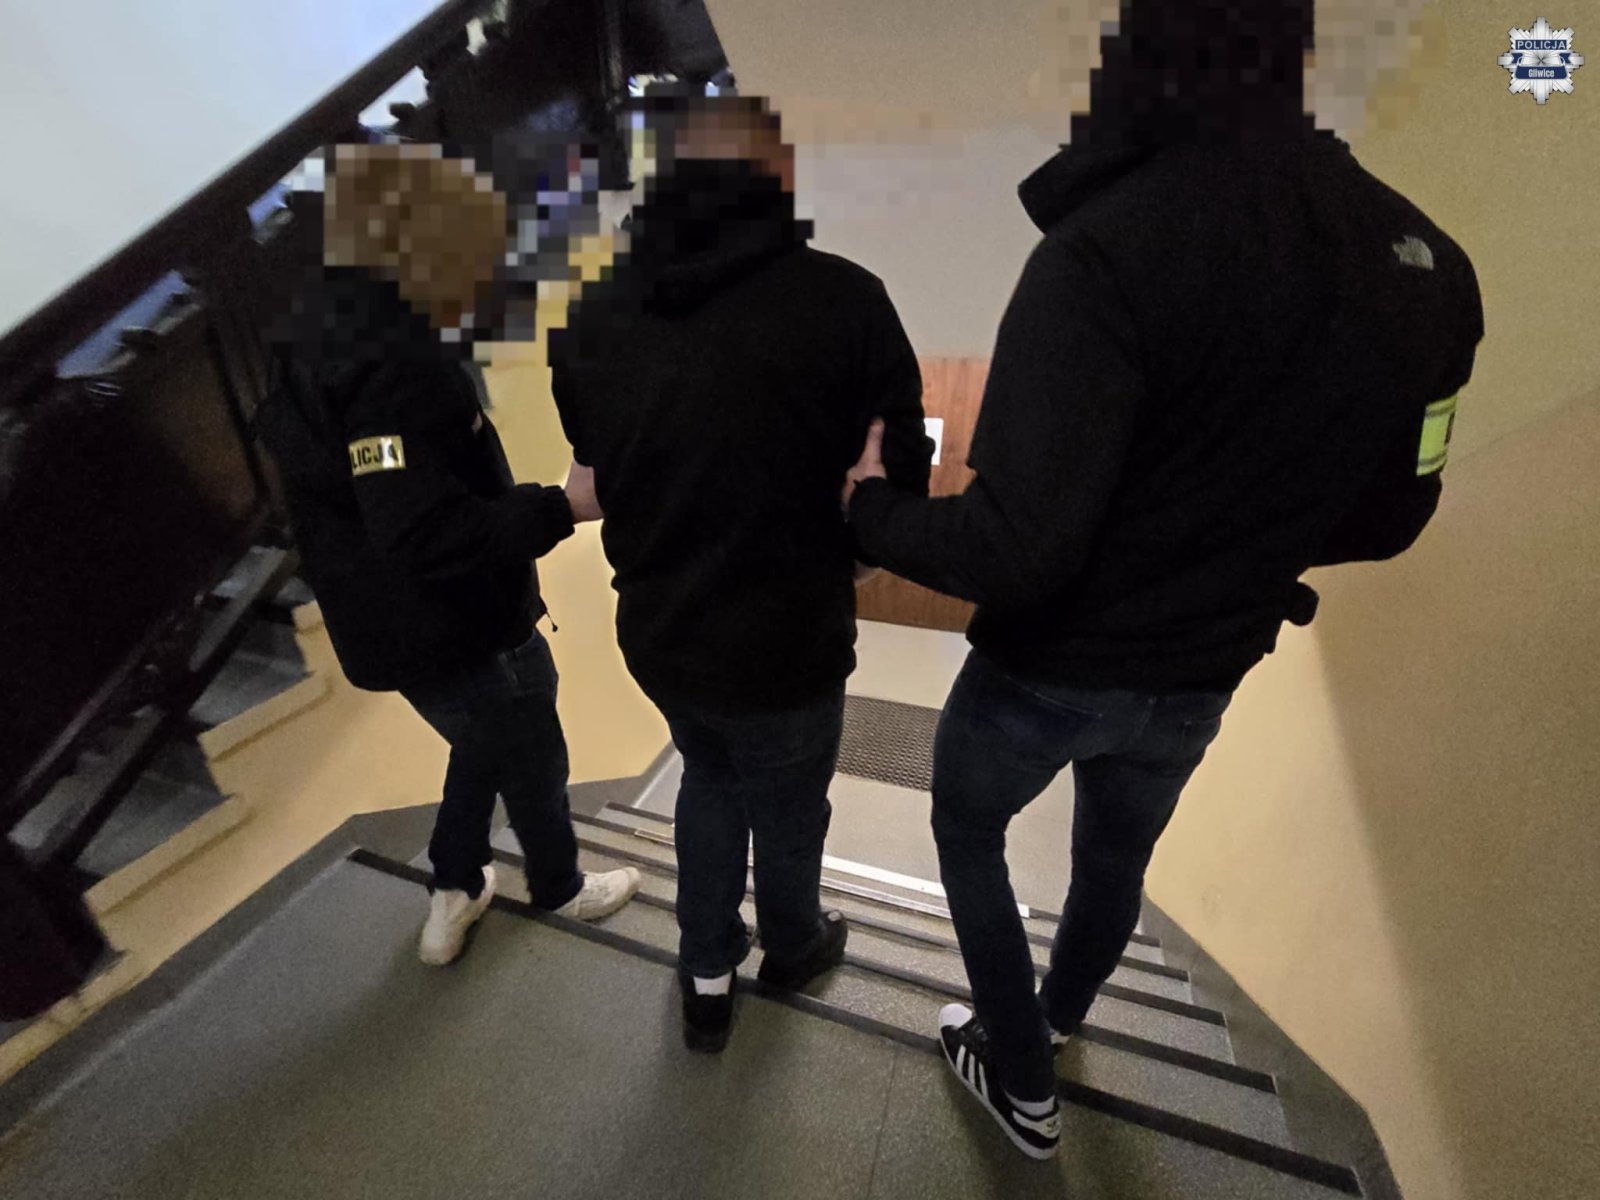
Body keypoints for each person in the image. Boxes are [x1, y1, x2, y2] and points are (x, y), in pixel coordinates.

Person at [841, 0, 1484, 1161]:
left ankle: (1018, 1074)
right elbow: (1395, 516)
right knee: (1113, 860)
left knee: (967, 828)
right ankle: (1056, 1022)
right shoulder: (1433, 269)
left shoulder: (1101, 250)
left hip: (1045, 671)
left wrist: (864, 512)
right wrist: (1237, 550)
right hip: (1204, 671)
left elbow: (1012, 548)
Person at [550, 89, 934, 1052]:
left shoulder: (593, 311)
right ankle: (794, 945)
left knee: (709, 779)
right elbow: (896, 476)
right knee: (790, 803)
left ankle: (706, 971)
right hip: (791, 640)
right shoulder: (848, 300)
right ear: (779, 177)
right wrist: (854, 554)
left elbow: (594, 466)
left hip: (661, 631)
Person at [259, 142, 640, 967]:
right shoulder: (392, 360)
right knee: (520, 739)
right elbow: (422, 531)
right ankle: (539, 885)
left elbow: (367, 494)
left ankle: (469, 883)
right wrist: (561, 507)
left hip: (388, 623)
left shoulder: (311, 330)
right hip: (453, 620)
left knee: (496, 739)